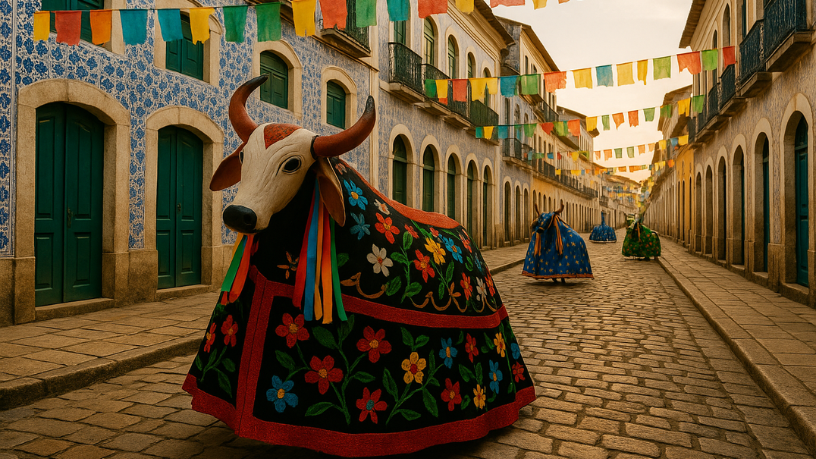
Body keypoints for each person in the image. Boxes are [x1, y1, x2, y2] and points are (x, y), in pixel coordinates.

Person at [522, 203, 593, 282]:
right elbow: (533, 227)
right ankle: (554, 275)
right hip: (547, 242)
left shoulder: (560, 230)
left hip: (557, 242)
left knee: (561, 257)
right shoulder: (541, 226)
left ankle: (561, 275)